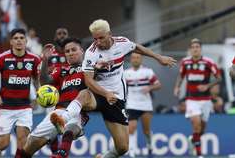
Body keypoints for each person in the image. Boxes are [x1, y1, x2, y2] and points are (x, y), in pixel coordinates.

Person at [50, 19, 176, 158]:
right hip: (98, 93)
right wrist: (105, 92)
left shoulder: (121, 43)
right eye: (95, 38)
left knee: (122, 147)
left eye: (101, 38)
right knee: (84, 93)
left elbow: (136, 48)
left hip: (116, 98)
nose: (98, 42)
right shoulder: (91, 53)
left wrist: (158, 57)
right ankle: (64, 118)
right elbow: (89, 80)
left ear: (109, 34)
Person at [21, 38, 89, 158]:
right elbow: (45, 82)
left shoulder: (89, 68)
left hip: (78, 111)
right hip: (58, 111)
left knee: (70, 128)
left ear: (82, 51)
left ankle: (61, 154)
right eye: (67, 51)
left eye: (74, 49)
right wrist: (45, 59)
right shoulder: (62, 69)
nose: (71, 53)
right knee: (29, 145)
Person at [0, 28, 41, 158]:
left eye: (22, 38)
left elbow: (36, 79)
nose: (19, 41)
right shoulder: (2, 58)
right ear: (11, 42)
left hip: (24, 107)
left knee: (23, 141)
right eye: (16, 38)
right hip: (6, 107)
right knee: (3, 143)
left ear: (26, 41)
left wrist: (40, 93)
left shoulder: (34, 60)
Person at [173, 38, 221, 157]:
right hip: (191, 99)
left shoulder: (208, 62)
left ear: (200, 49)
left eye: (197, 47)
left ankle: (193, 140)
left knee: (202, 130)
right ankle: (199, 155)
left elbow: (219, 78)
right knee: (196, 124)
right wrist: (177, 87)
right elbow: (181, 75)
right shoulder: (185, 62)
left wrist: (207, 86)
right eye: (193, 47)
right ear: (190, 49)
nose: (195, 49)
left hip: (205, 100)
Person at [124, 53, 161, 157]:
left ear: (141, 60)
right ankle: (131, 152)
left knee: (146, 131)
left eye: (138, 58)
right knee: (131, 128)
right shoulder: (126, 73)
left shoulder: (147, 72)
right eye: (134, 58)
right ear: (131, 60)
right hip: (131, 104)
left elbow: (158, 85)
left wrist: (150, 88)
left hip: (145, 105)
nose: (136, 60)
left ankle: (149, 145)